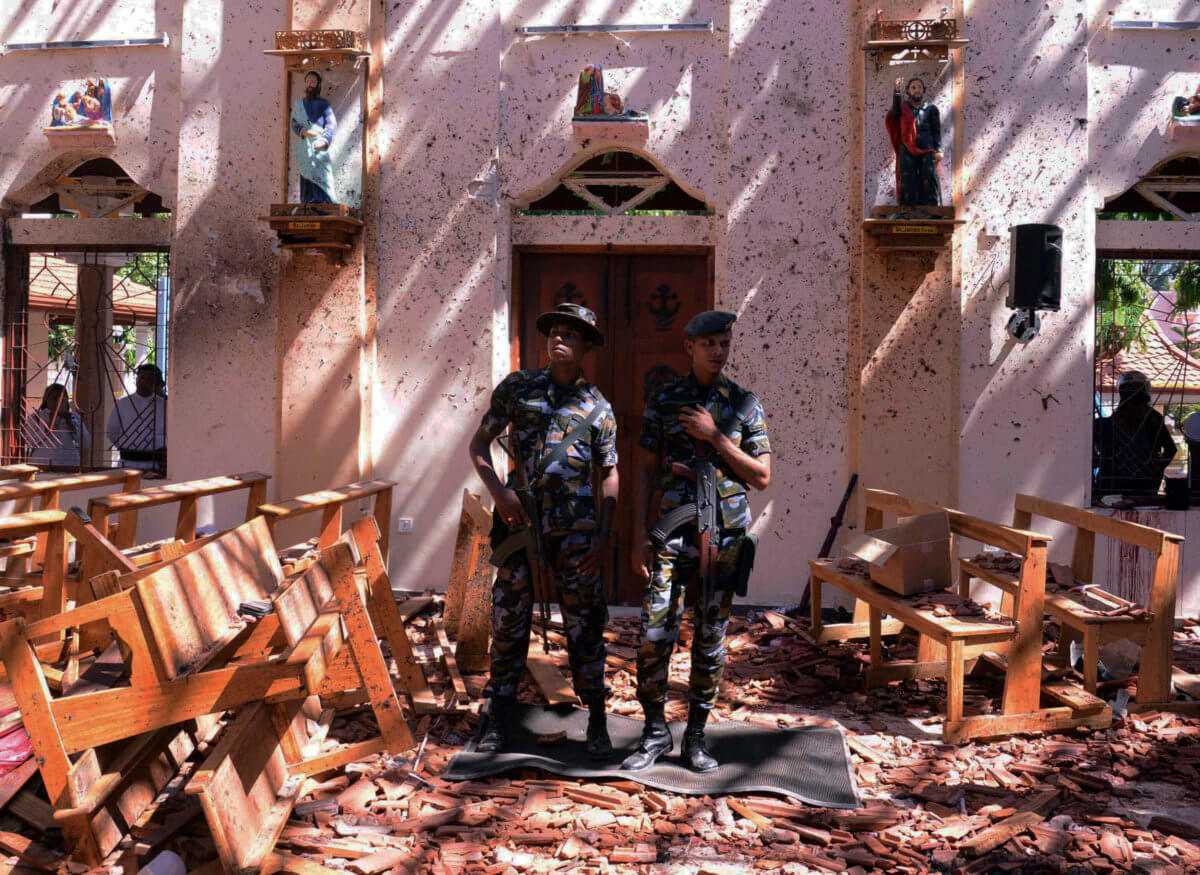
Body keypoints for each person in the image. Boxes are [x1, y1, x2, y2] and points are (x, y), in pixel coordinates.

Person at [467, 303, 619, 758]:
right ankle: (498, 714)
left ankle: (596, 718)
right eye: (553, 331)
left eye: (570, 334)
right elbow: (478, 445)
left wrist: (603, 535)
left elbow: (609, 472)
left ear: (586, 346)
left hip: (576, 534)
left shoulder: (598, 408)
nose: (559, 339)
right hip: (520, 523)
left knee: (585, 625)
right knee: (508, 621)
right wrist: (499, 494)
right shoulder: (518, 388)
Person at [623, 310, 771, 773]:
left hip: (722, 541)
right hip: (672, 536)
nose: (718, 351)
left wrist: (716, 437)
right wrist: (637, 536)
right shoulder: (666, 399)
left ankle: (696, 737)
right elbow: (645, 470)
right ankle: (654, 731)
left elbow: (762, 476)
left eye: (724, 342)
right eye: (708, 343)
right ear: (689, 347)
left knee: (710, 641)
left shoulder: (744, 403)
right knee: (653, 636)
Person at [1094, 370, 1177, 498]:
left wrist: (1154, 469)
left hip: (1122, 487)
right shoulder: (1153, 418)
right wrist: (1155, 469)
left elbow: (1170, 450)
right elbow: (1170, 450)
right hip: (1135, 486)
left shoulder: (1153, 419)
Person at [885, 76, 943, 208]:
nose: (917, 90)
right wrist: (897, 91)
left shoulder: (931, 109)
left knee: (929, 176)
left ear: (924, 90)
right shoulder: (903, 109)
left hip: (927, 148)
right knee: (908, 178)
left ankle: (931, 209)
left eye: (919, 87)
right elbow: (894, 113)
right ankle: (907, 209)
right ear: (908, 91)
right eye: (913, 87)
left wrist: (938, 149)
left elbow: (936, 131)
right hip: (907, 148)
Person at [106, 363, 167, 474]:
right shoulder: (122, 403)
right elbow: (112, 431)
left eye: (149, 378)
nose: (144, 381)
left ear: (156, 382)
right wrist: (127, 445)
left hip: (153, 465)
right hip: (126, 463)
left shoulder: (164, 405)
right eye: (142, 377)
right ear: (137, 379)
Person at [291, 71, 337, 204]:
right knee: (306, 171)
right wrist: (302, 131)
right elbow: (294, 122)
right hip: (305, 144)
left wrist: (324, 140)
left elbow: (331, 124)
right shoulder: (299, 104)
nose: (310, 84)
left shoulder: (324, 104)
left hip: (318, 143)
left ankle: (323, 200)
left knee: (322, 172)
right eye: (308, 81)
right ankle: (307, 201)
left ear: (318, 84)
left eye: (313, 81)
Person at [25, 384, 89, 468]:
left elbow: (86, 443)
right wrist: (48, 426)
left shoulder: (74, 418)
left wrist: (74, 427)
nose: (58, 402)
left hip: (69, 465)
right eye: (54, 399)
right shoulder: (37, 417)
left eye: (62, 399)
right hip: (42, 464)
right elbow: (29, 441)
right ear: (46, 400)